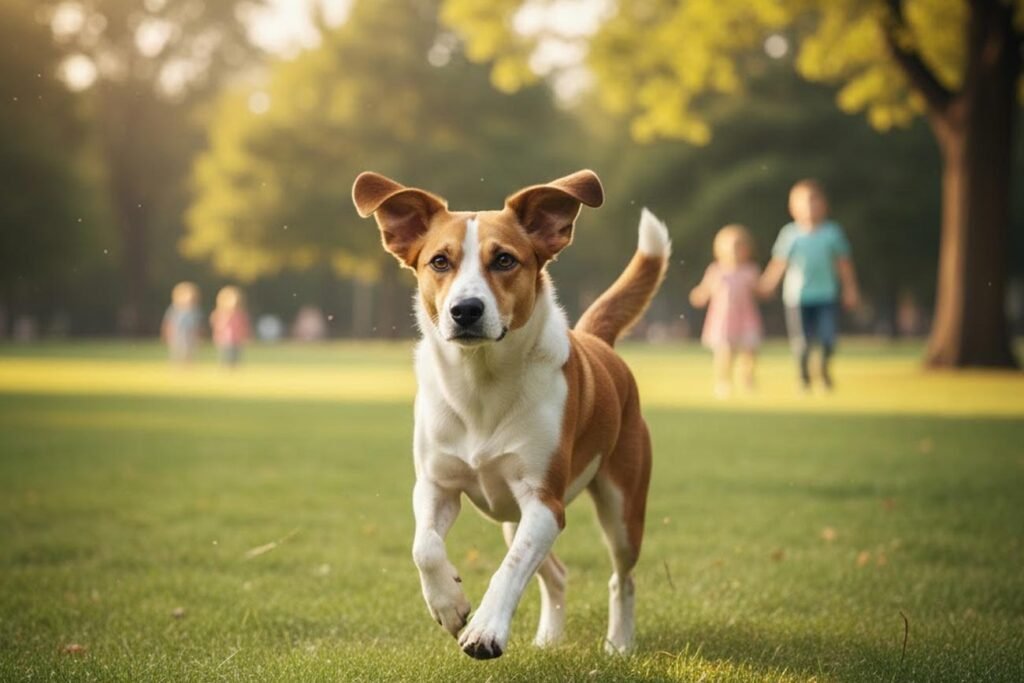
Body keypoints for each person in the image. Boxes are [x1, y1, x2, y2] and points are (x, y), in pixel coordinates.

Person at [760, 179, 860, 392]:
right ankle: (804, 378)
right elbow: (779, 263)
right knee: (801, 343)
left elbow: (843, 264)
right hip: (797, 297)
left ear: (824, 205)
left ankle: (823, 371)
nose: (810, 206)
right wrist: (767, 284)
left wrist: (851, 289)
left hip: (826, 296)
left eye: (814, 201)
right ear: (793, 208)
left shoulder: (832, 233)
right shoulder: (790, 234)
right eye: (804, 202)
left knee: (827, 339)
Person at [689, 224, 764, 398]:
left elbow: (760, 290)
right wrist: (698, 295)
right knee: (724, 353)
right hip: (724, 319)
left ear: (747, 249)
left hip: (746, 318)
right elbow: (705, 291)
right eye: (731, 247)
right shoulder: (716, 271)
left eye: (739, 246)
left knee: (749, 351)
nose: (735, 251)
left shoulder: (750, 271)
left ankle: (748, 379)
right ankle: (723, 381)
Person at [209, 286, 250, 368]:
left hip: (236, 339)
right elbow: (216, 324)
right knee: (225, 353)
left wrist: (245, 335)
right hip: (224, 339)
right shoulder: (220, 313)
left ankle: (234, 366)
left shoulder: (239, 314)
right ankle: (225, 366)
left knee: (236, 354)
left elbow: (243, 326)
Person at [162, 282, 202, 364]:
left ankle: (188, 364)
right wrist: (167, 333)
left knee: (189, 350)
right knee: (177, 350)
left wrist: (199, 335)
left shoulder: (195, 310)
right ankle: (177, 363)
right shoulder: (174, 309)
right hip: (177, 334)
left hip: (190, 335)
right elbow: (168, 322)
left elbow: (198, 325)